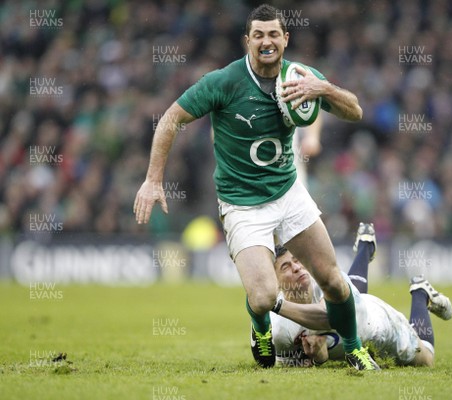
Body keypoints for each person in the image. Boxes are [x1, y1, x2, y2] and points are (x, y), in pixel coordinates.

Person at [133, 4, 378, 370]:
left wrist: (322, 88)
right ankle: (261, 326)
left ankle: (354, 348)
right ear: (247, 40)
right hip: (242, 204)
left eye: (274, 34)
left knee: (334, 283)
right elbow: (171, 119)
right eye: (259, 35)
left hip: (289, 193)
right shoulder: (224, 82)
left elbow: (356, 111)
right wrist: (153, 179)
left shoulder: (299, 76)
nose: (267, 42)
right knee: (263, 296)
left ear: (286, 38)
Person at [270, 223, 452, 367]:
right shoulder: (279, 329)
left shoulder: (325, 280)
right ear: (275, 281)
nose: (296, 268)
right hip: (357, 312)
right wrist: (318, 358)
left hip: (379, 326)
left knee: (426, 358)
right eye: (285, 267)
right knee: (353, 295)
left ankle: (420, 293)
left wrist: (277, 305)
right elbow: (293, 362)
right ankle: (366, 245)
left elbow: (329, 317)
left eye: (297, 260)